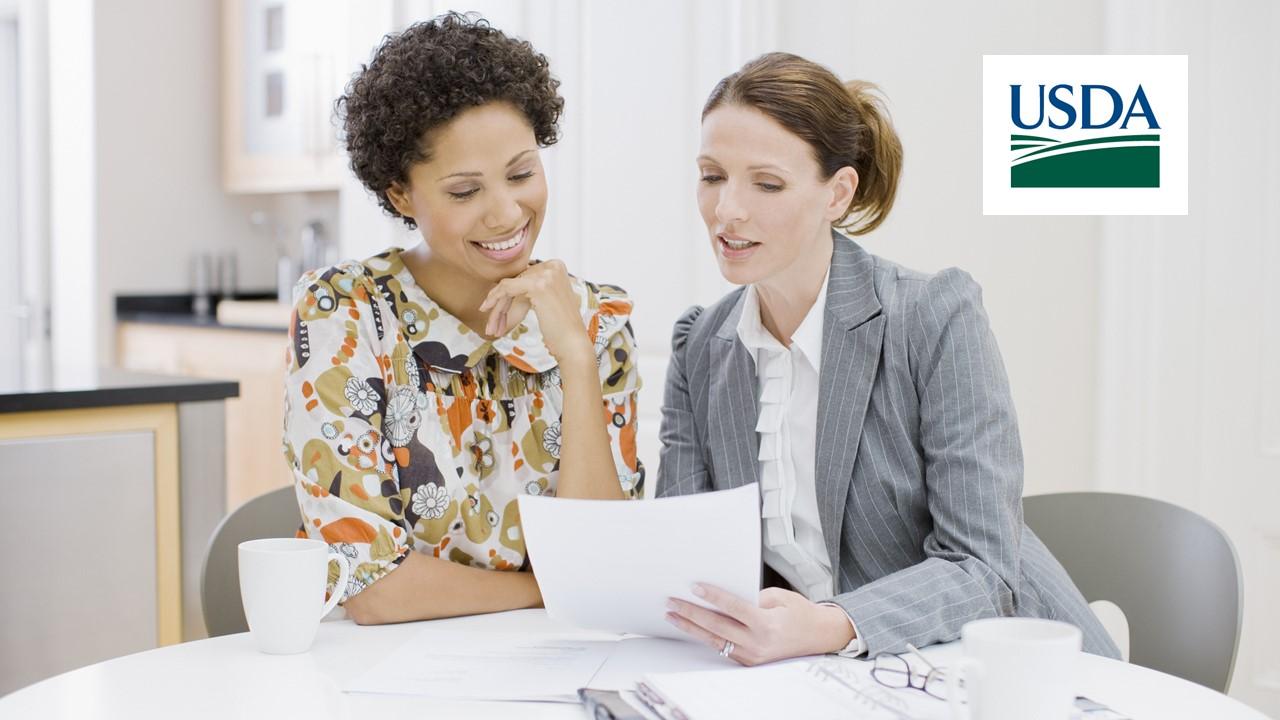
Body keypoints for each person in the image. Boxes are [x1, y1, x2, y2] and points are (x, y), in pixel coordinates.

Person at [658, 52, 1120, 664]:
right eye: (712, 176)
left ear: (837, 193)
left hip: (1003, 670)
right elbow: (686, 559)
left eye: (766, 183)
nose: (727, 210)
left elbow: (982, 569)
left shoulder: (933, 316)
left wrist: (827, 625)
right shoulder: (700, 346)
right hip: (832, 681)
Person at [282, 13, 643, 626]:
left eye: (522, 174)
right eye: (464, 192)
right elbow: (372, 589)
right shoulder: (344, 313)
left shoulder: (597, 319)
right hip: (389, 680)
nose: (506, 214)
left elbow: (608, 562)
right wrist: (550, 587)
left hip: (561, 667)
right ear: (401, 194)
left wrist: (576, 360)